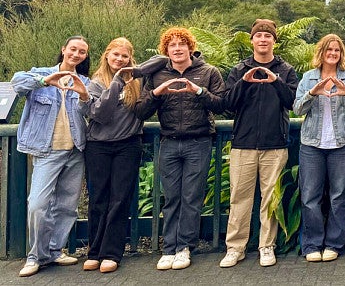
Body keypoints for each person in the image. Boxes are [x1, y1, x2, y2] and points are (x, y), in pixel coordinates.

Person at [134, 27, 226, 271]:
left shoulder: (208, 72)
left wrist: (197, 90)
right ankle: (169, 248)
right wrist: (156, 93)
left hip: (199, 141)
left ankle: (185, 247)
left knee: (191, 197)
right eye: (171, 45)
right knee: (171, 197)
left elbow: (222, 105)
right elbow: (141, 111)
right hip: (169, 141)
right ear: (166, 50)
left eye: (181, 44)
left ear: (189, 47)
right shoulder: (157, 74)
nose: (176, 48)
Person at [219, 19, 298, 268]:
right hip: (243, 143)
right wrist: (244, 80)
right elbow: (227, 104)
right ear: (252, 40)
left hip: (275, 144)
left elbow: (292, 102)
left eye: (268, 36)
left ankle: (267, 246)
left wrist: (275, 80)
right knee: (239, 198)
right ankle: (235, 247)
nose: (263, 39)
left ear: (274, 40)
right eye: (259, 36)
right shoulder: (238, 69)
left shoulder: (286, 70)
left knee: (269, 199)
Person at [13, 36, 90, 277]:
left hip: (76, 150)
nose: (76, 54)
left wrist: (85, 95)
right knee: (37, 204)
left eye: (82, 52)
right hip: (47, 151)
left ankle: (55, 250)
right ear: (64, 49)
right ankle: (35, 255)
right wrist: (46, 80)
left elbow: (91, 112)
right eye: (73, 49)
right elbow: (17, 83)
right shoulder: (41, 73)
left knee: (67, 206)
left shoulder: (85, 81)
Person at [294, 34, 345, 262]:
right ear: (321, 52)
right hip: (312, 144)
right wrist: (313, 93)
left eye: (337, 50)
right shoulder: (308, 78)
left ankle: (334, 243)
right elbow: (297, 109)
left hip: (342, 144)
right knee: (310, 196)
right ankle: (312, 244)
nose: (333, 54)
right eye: (329, 50)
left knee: (339, 195)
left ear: (341, 54)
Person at [81, 38, 145, 274]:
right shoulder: (95, 83)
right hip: (98, 146)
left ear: (131, 58)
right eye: (116, 55)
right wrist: (117, 82)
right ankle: (94, 251)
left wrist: (133, 72)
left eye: (125, 56)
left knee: (120, 199)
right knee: (99, 199)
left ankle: (112, 252)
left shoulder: (137, 81)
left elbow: (159, 61)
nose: (119, 60)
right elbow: (101, 114)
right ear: (106, 55)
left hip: (128, 145)